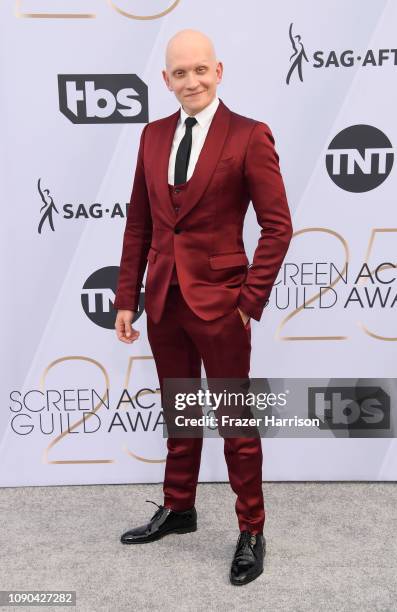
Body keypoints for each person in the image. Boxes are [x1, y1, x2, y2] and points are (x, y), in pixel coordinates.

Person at [114, 29, 293, 586]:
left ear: (218, 71)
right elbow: (139, 223)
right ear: (165, 80)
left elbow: (278, 226)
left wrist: (248, 303)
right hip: (163, 299)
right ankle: (179, 506)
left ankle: (252, 529)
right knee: (180, 412)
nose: (190, 81)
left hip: (222, 305)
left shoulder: (248, 135)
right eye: (179, 73)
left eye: (200, 70)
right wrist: (127, 298)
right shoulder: (151, 136)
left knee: (235, 421)